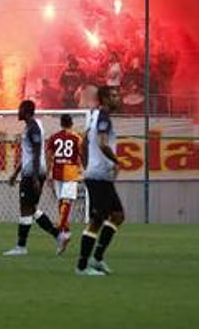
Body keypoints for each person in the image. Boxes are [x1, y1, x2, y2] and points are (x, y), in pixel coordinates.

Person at [76, 86, 124, 276]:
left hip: (99, 175)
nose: (117, 98)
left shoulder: (96, 116)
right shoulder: (103, 117)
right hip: (99, 177)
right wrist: (117, 161)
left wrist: (87, 164)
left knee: (118, 215)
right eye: (113, 95)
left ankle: (97, 259)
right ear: (104, 98)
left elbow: (84, 142)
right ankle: (82, 266)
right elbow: (103, 144)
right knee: (97, 220)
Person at [4, 100, 62, 256]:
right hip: (31, 172)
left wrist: (35, 178)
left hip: (32, 174)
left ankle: (21, 247)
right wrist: (16, 173)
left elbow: (36, 154)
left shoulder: (34, 128)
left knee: (25, 209)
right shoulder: (30, 127)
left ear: (26, 111)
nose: (18, 112)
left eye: (20, 109)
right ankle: (59, 236)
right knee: (32, 209)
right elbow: (28, 154)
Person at [47, 114, 84, 252]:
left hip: (57, 172)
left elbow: (49, 155)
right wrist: (83, 170)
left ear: (61, 123)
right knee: (66, 201)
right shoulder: (77, 138)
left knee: (62, 201)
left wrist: (48, 172)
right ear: (72, 123)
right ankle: (61, 227)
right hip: (71, 171)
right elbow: (82, 154)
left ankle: (64, 231)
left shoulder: (54, 137)